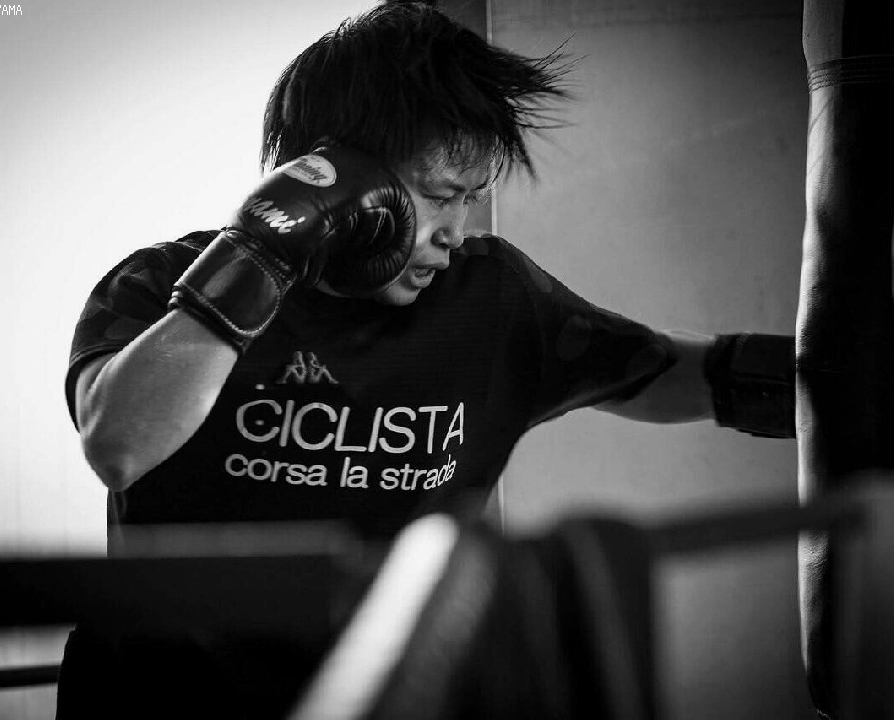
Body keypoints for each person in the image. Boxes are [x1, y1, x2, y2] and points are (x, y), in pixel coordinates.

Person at [58, 1, 795, 717]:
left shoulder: (490, 299)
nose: (455, 231)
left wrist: (824, 374)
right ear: (336, 176)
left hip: (392, 694)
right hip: (160, 699)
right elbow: (119, 445)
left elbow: (667, 372)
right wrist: (259, 252)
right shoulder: (160, 284)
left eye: (471, 198)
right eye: (440, 196)